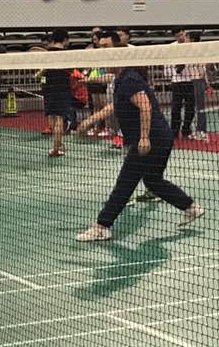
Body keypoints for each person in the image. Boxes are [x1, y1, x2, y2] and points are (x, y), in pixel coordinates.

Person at [75, 33, 204, 242]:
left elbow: (145, 106)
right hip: (161, 137)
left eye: (107, 48)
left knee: (125, 182)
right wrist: (90, 119)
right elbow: (115, 103)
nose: (102, 54)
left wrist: (144, 138)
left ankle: (102, 226)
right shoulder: (122, 78)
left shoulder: (130, 79)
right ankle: (190, 207)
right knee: (153, 181)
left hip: (152, 139)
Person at [39, 29, 73, 157]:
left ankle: (58, 145)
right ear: (65, 40)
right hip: (62, 88)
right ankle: (56, 147)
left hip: (48, 87)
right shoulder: (67, 54)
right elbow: (71, 71)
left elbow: (41, 72)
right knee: (59, 118)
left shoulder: (46, 53)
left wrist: (42, 81)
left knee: (51, 116)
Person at [171, 29, 199, 139]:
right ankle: (174, 131)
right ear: (175, 37)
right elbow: (168, 67)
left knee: (190, 108)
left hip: (189, 81)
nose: (181, 37)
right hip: (176, 82)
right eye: (178, 35)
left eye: (182, 34)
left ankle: (186, 130)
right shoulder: (172, 47)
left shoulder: (191, 47)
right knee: (176, 108)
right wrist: (177, 69)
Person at [187, 31, 210, 142]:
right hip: (196, 80)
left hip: (198, 80)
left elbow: (201, 66)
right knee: (198, 107)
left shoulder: (196, 50)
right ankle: (199, 130)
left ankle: (202, 132)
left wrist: (203, 79)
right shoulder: (194, 49)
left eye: (187, 37)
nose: (186, 40)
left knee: (200, 107)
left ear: (192, 39)